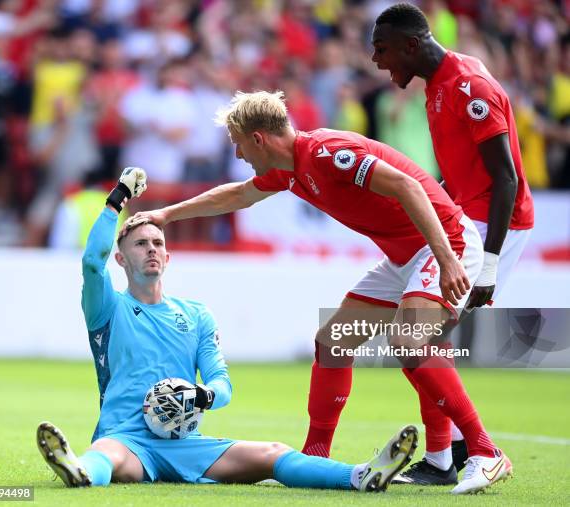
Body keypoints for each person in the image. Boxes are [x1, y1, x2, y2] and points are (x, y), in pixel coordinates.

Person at [131, 90, 512, 495]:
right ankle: (316, 457)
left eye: (238, 144)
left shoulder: (329, 153)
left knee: (410, 340)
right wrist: (166, 214)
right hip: (406, 258)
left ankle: (486, 453)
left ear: (258, 138)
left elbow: (407, 186)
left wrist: (447, 258)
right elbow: (240, 194)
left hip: (446, 243)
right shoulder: (288, 169)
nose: (239, 155)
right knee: (333, 342)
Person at [36, 167, 419, 492]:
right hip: (128, 439)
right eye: (140, 244)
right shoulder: (108, 307)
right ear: (121, 258)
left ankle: (360, 475)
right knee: (107, 453)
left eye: (157, 243)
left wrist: (201, 395)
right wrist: (117, 200)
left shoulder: (197, 314)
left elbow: (222, 384)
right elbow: (90, 262)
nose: (151, 249)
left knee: (272, 452)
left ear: (168, 258)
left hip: (187, 442)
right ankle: (82, 471)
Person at [370, 2, 534, 486]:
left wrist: (489, 265)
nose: (378, 61)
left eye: (383, 50)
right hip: (463, 220)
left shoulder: (469, 87)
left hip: (489, 228)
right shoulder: (439, 84)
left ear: (412, 44)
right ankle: (442, 460)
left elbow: (506, 180)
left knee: (413, 337)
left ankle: (484, 451)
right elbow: (465, 168)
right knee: (426, 339)